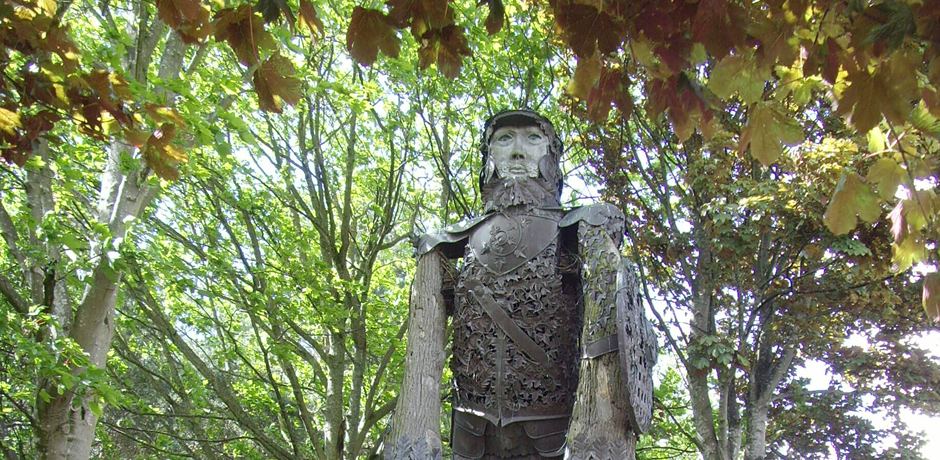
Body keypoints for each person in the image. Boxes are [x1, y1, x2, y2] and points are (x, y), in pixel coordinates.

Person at [388, 109, 656, 460]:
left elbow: (607, 339)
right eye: (505, 139)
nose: (518, 152)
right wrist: (416, 441)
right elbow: (422, 353)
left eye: (532, 138)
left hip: (553, 437)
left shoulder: (580, 228)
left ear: (550, 156)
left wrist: (597, 435)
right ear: (489, 156)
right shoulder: (445, 244)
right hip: (471, 435)